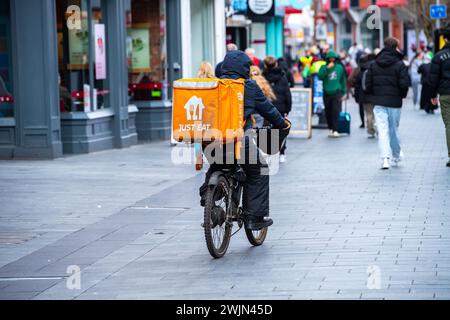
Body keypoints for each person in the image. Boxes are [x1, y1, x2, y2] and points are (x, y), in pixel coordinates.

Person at [199, 50, 289, 230]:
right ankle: (253, 218)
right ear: (244, 68)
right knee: (259, 170)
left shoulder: (214, 85)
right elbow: (269, 110)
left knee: (217, 164)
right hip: (240, 143)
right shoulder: (249, 86)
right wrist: (282, 124)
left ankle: (208, 198)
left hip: (212, 143)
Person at [364, 37, 411, 170]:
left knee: (383, 130)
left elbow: (368, 83)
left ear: (384, 46)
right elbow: (404, 84)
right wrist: (401, 95)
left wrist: (373, 94)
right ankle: (396, 154)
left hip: (378, 102)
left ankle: (385, 159)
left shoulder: (374, 63)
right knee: (393, 130)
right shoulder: (400, 64)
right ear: (396, 47)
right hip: (395, 101)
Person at [263, 56, 292, 163]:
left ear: (265, 65)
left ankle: (268, 152)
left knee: (266, 129)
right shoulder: (282, 76)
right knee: (281, 130)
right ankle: (282, 152)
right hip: (280, 108)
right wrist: (288, 109)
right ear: (276, 64)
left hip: (266, 108)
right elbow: (287, 94)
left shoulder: (262, 77)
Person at [428, 23, 450, 167]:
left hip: (445, 94)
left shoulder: (439, 56)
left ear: (446, 39)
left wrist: (432, 95)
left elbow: (433, 78)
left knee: (449, 124)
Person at [317, 50, 347, 138]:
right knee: (328, 111)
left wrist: (344, 92)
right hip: (326, 92)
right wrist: (327, 68)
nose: (331, 61)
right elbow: (320, 76)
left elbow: (343, 80)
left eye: (333, 59)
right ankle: (330, 128)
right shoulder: (323, 67)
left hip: (336, 92)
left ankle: (335, 129)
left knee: (336, 111)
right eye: (330, 59)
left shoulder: (339, 67)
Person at [350, 53, 377, 137]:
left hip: (363, 95)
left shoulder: (358, 70)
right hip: (374, 95)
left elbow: (350, 79)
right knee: (375, 113)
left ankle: (370, 130)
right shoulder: (373, 69)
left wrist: (355, 85)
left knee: (368, 113)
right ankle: (376, 127)